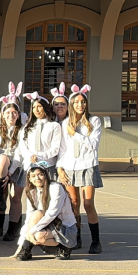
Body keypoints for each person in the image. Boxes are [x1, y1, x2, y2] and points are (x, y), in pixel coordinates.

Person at [56, 84, 103, 254]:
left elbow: (93, 145)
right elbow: (62, 149)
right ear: (71, 104)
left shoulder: (94, 121)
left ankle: (96, 241)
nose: (80, 105)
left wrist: (75, 134)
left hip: (87, 165)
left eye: (83, 102)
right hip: (70, 166)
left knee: (88, 203)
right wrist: (60, 168)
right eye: (76, 102)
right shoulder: (65, 124)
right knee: (74, 204)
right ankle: (76, 237)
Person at [14, 163, 79, 261]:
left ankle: (63, 249)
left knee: (38, 235)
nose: (37, 178)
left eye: (40, 174)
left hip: (64, 228)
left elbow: (52, 214)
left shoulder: (56, 188)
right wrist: (22, 242)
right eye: (33, 176)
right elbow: (29, 218)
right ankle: (25, 249)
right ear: (29, 179)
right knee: (36, 214)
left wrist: (31, 232)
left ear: (45, 175)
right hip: (48, 225)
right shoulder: (32, 192)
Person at [0, 100, 24, 240]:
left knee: (15, 197)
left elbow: (20, 154)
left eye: (14, 113)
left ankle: (12, 229)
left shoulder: (22, 130)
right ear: (3, 114)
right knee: (2, 194)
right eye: (8, 112)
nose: (11, 115)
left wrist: (10, 172)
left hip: (18, 164)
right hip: (1, 164)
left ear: (18, 115)